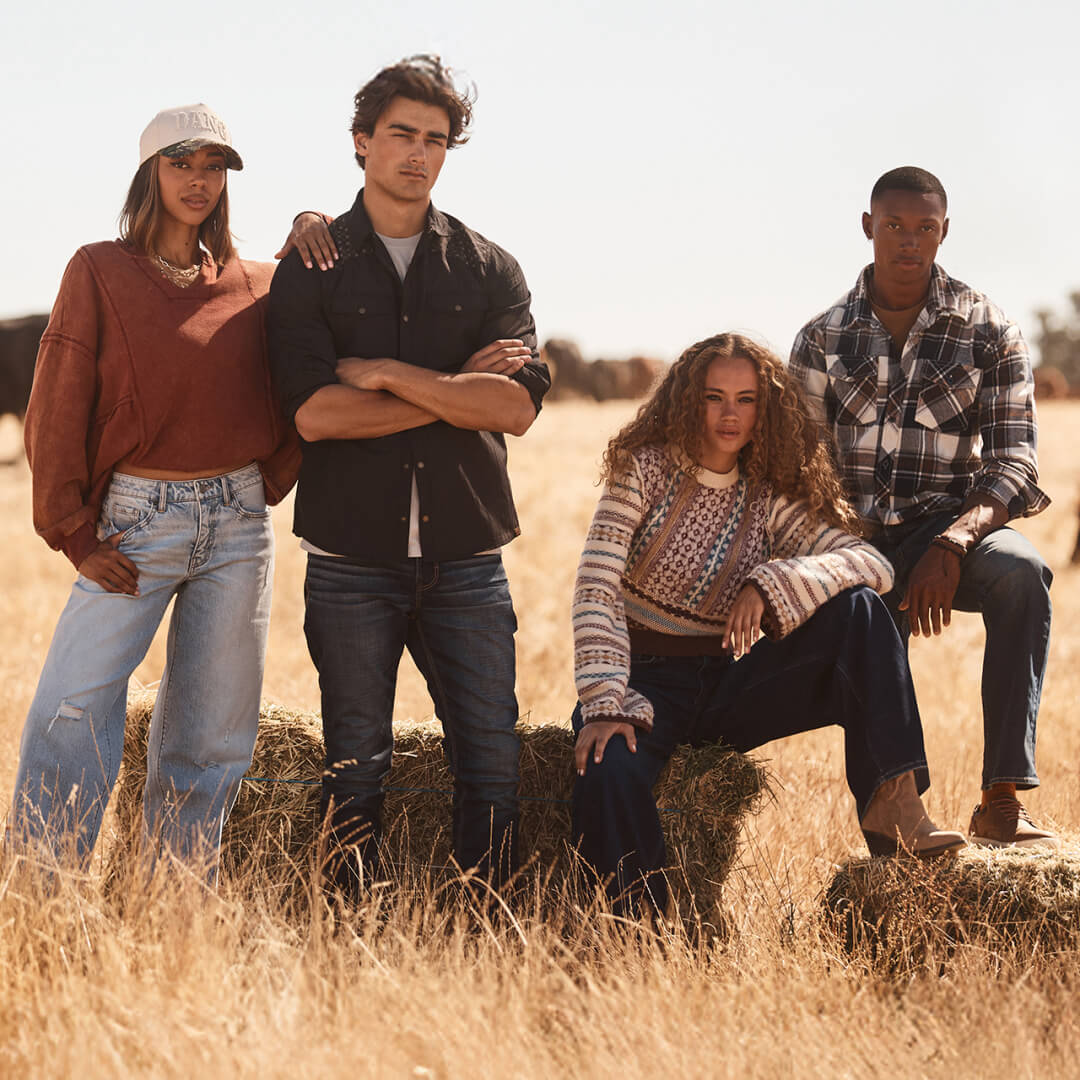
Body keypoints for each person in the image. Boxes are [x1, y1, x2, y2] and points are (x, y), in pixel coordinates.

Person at [268, 55, 550, 899]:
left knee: (492, 760)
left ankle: (484, 927)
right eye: (401, 134)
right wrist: (453, 388)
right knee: (356, 763)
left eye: (435, 139)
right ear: (361, 142)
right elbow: (315, 416)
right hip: (351, 560)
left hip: (468, 557)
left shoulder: (489, 266)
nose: (418, 153)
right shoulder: (311, 264)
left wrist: (387, 372)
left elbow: (514, 410)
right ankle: (351, 928)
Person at [571, 333, 965, 916]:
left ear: (767, 409)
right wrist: (605, 698)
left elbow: (872, 564)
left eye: (746, 399)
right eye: (714, 398)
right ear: (687, 402)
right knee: (604, 769)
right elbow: (595, 586)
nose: (730, 414)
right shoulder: (644, 471)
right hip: (641, 682)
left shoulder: (769, 495)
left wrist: (774, 582)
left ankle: (893, 804)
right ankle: (645, 931)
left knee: (859, 611)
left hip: (726, 682)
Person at [7, 104, 300, 873]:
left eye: (213, 168)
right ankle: (43, 897)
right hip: (136, 523)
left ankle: (172, 907)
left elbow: (317, 373)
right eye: (181, 164)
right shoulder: (99, 270)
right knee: (73, 712)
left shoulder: (262, 284)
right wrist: (73, 533)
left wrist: (270, 477)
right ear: (150, 173)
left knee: (210, 732)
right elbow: (57, 402)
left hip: (238, 531)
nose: (198, 181)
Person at [790, 166, 1057, 849]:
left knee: (1022, 574)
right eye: (895, 227)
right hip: (851, 537)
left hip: (946, 529)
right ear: (868, 226)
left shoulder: (987, 328)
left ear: (944, 232)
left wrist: (955, 541)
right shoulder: (822, 337)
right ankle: (895, 830)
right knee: (867, 629)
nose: (909, 242)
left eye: (926, 228)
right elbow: (798, 463)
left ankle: (1001, 799)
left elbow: (1013, 461)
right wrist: (843, 551)